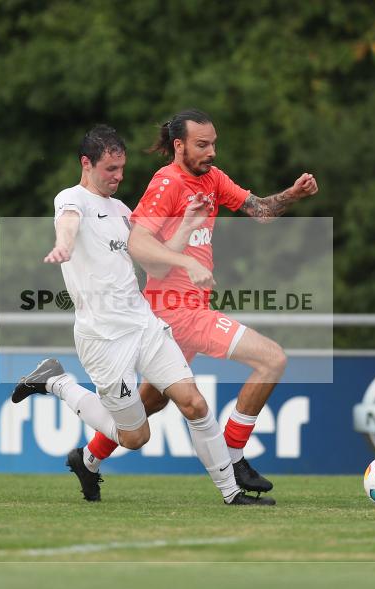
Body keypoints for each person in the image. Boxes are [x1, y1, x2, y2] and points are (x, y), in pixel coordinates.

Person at [10, 124, 273, 506]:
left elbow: (157, 265)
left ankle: (232, 493)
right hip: (103, 340)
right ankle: (56, 382)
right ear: (87, 163)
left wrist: (186, 226)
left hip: (144, 325)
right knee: (135, 437)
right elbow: (67, 224)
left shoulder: (119, 210)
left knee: (194, 403)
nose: (118, 178)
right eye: (110, 170)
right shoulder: (71, 199)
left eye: (122, 169)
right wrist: (63, 245)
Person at [78, 108, 318, 496]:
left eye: (213, 144)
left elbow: (259, 211)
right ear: (179, 145)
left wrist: (293, 193)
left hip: (183, 311)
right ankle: (234, 457)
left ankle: (87, 460)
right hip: (176, 310)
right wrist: (185, 260)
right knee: (272, 359)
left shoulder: (212, 179)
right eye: (202, 145)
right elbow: (138, 244)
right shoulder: (166, 183)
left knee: (148, 405)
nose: (212, 152)